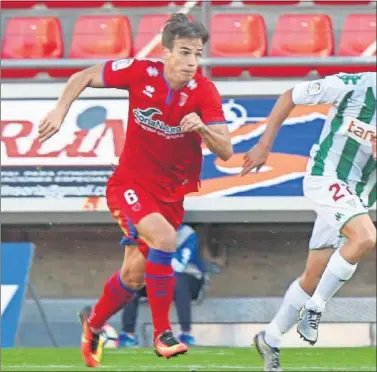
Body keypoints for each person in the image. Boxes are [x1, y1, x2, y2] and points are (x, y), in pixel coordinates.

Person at [38, 13, 232, 368]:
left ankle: (93, 323)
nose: (192, 62)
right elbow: (81, 76)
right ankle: (162, 333)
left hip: (171, 195)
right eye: (185, 53)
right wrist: (60, 111)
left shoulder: (205, 91)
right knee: (164, 240)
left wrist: (203, 129)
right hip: (130, 184)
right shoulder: (140, 72)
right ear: (166, 51)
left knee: (133, 275)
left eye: (198, 54)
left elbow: (227, 150)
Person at [241, 72, 376, 372]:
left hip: (356, 197)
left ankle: (270, 338)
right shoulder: (353, 86)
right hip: (325, 176)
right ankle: (314, 309)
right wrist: (264, 144)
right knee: (365, 237)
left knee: (313, 276)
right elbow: (291, 95)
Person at [119, 224, 209, 347]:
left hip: (189, 279)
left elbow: (180, 265)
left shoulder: (187, 233)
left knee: (178, 280)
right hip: (156, 278)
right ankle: (128, 335)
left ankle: (186, 333)